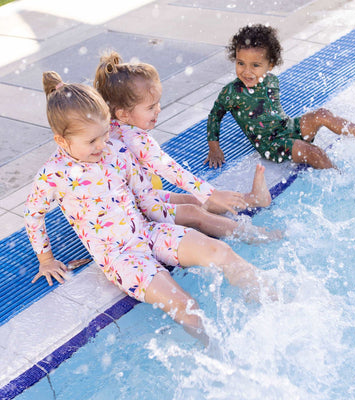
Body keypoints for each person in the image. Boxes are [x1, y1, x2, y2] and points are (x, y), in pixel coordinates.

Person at [25, 71, 275, 346]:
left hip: (147, 231)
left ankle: (271, 300)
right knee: (185, 304)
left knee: (220, 251)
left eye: (105, 133)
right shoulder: (53, 175)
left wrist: (188, 217)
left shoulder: (116, 151)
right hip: (119, 257)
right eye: (92, 141)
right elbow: (33, 215)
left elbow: (146, 199)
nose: (102, 145)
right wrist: (46, 259)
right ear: (62, 141)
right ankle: (219, 355)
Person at [93, 51, 280, 242]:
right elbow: (171, 170)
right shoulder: (135, 139)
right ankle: (256, 236)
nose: (158, 110)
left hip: (135, 199)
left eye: (157, 103)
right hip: (136, 212)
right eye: (151, 107)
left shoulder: (109, 127)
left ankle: (254, 200)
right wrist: (212, 193)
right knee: (194, 212)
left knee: (193, 200)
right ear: (123, 114)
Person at [204, 24, 355, 170]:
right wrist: (214, 147)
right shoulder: (232, 92)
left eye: (255, 65)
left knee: (322, 114)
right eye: (240, 63)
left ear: (270, 65)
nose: (246, 71)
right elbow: (214, 116)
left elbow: (273, 113)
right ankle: (340, 179)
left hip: (286, 127)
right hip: (271, 145)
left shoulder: (272, 81)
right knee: (315, 153)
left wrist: (295, 132)